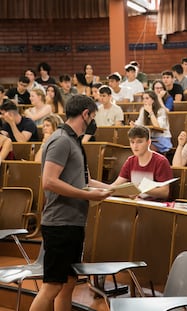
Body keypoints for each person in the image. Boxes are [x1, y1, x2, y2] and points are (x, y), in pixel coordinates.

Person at [28, 95, 112, 311]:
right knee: (52, 287)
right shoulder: (61, 140)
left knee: (68, 284)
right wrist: (88, 196)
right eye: (93, 116)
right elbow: (48, 181)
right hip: (60, 224)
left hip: (73, 223)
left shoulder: (73, 140)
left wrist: (112, 189)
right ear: (85, 114)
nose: (94, 121)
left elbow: (84, 179)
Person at [111, 125, 173, 201]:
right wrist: (104, 190)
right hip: (135, 203)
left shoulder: (161, 161)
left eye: (139, 142)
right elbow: (116, 184)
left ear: (148, 142)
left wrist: (140, 189)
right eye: (132, 142)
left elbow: (165, 192)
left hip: (154, 207)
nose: (135, 146)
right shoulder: (130, 161)